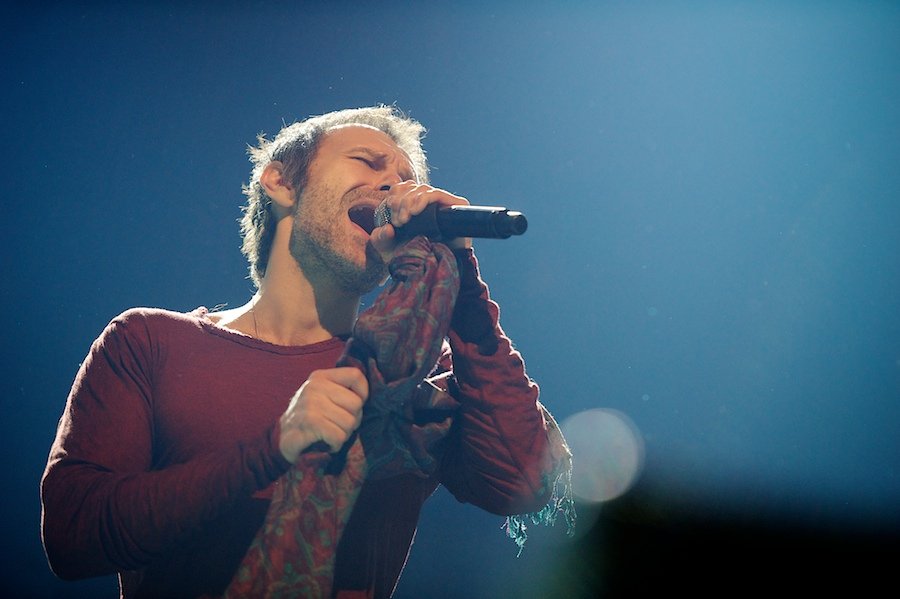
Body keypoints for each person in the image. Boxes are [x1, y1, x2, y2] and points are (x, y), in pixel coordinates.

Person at [41, 105, 571, 598]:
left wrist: (464, 285)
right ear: (281, 181)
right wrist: (273, 450)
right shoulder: (151, 342)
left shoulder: (412, 376)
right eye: (368, 162)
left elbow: (523, 482)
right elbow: (72, 537)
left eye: (407, 179)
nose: (396, 186)